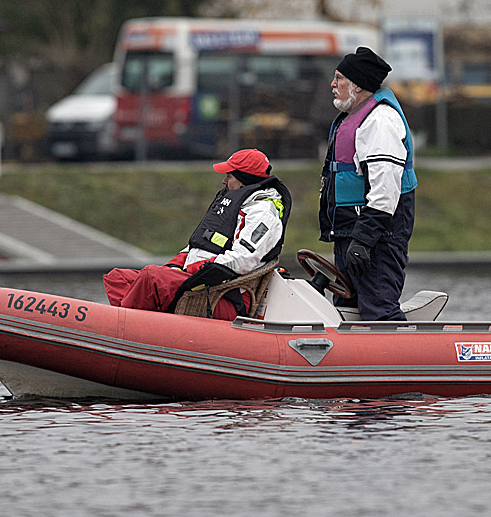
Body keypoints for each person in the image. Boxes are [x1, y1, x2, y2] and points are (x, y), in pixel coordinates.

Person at [103, 149, 292, 320]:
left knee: (151, 278)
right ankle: (147, 326)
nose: (224, 181)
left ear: (243, 179)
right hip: (195, 282)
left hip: (220, 295)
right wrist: (174, 267)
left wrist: (193, 270)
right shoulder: (234, 202)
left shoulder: (263, 213)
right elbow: (197, 246)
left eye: (229, 175)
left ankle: (124, 329)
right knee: (117, 278)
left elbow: (243, 260)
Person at [318, 47, 417, 321]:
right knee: (347, 311)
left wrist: (363, 239)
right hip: (353, 234)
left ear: (358, 85)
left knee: (378, 310)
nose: (333, 84)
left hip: (377, 236)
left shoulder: (380, 121)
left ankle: (400, 359)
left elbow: (386, 190)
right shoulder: (354, 118)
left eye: (339, 78)